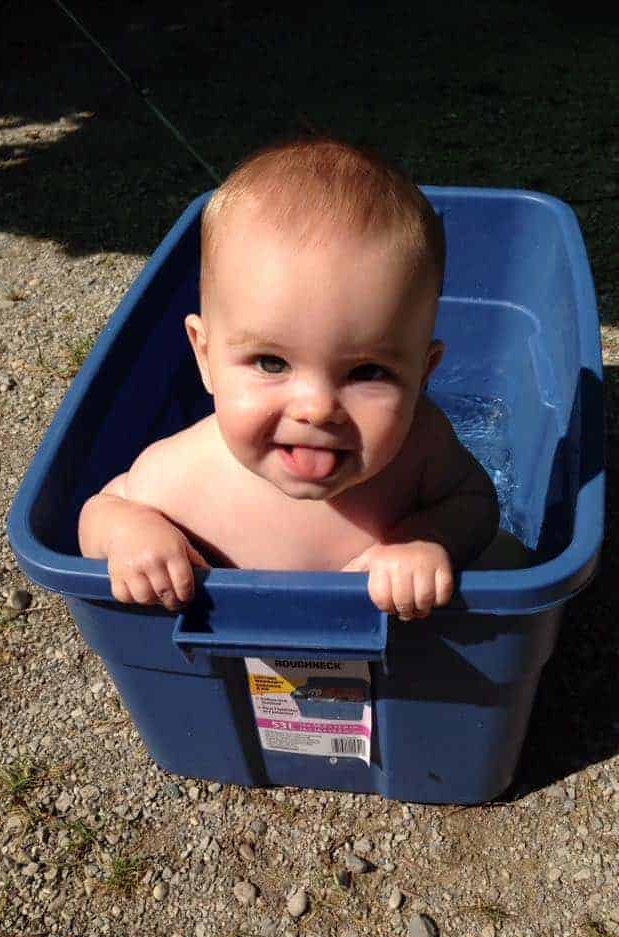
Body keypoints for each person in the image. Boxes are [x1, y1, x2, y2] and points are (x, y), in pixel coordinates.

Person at [79, 136, 514, 622]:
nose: (316, 407)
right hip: (230, 658)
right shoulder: (184, 472)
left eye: (367, 371)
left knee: (510, 557)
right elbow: (103, 508)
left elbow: (475, 502)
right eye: (271, 363)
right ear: (204, 357)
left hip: (402, 655)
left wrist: (427, 542)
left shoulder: (421, 449)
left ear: (422, 376)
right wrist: (130, 535)